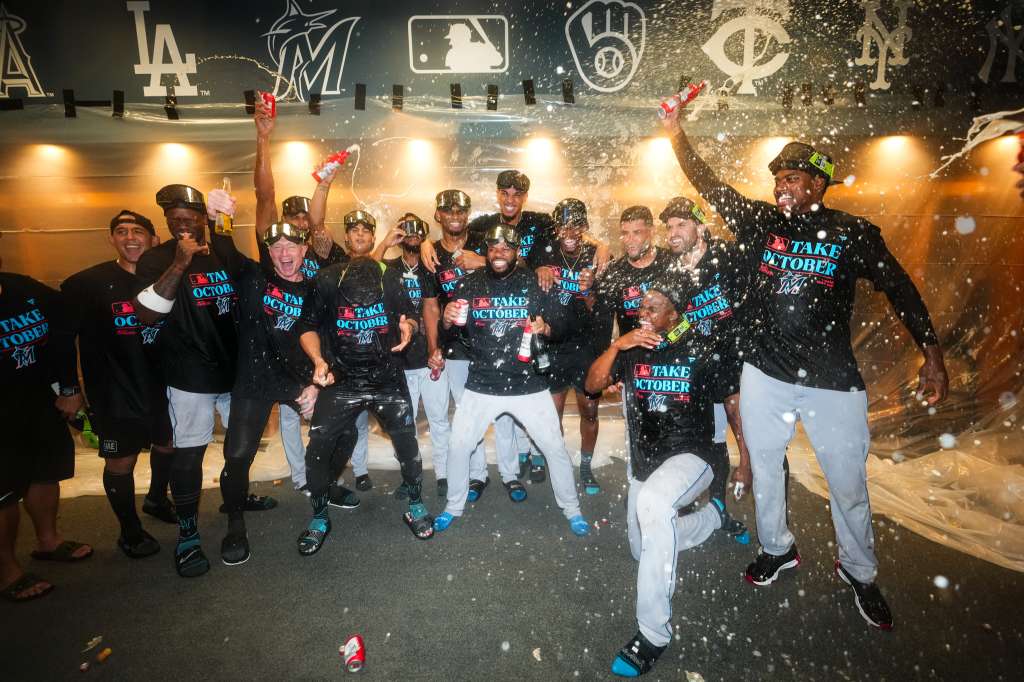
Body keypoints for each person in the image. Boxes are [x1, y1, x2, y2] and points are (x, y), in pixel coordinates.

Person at [662, 104, 949, 629]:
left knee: (847, 482)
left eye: (793, 177)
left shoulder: (852, 232)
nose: (782, 186)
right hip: (765, 373)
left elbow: (900, 287)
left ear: (819, 183)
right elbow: (708, 183)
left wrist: (931, 351)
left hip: (831, 380)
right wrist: (675, 132)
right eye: (777, 178)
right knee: (766, 467)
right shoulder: (763, 222)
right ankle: (777, 548)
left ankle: (859, 571)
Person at [585, 281, 744, 677]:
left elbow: (733, 406)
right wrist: (617, 346)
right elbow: (591, 385)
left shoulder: (701, 348)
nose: (643, 314)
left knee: (654, 506)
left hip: (693, 456)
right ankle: (712, 518)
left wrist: (748, 461)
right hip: (647, 463)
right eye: (642, 307)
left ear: (675, 315)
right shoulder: (633, 347)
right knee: (643, 548)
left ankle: (653, 633)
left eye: (653, 308)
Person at [133, 184, 269, 578]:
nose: (182, 226)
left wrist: (226, 224)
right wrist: (179, 263)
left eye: (189, 219)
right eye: (174, 220)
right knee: (189, 454)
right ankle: (188, 534)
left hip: (235, 371)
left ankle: (235, 514)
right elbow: (146, 315)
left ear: (204, 220)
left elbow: (255, 280)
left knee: (238, 454)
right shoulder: (156, 258)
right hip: (190, 375)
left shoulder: (221, 252)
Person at [432, 224, 589, 535]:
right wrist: (446, 320)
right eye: (493, 247)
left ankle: (572, 509)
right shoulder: (469, 284)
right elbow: (452, 334)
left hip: (528, 384)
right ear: (487, 251)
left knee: (554, 447)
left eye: (506, 247)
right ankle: (452, 506)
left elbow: (565, 324)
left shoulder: (535, 281)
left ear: (516, 251)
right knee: (459, 445)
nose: (499, 253)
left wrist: (547, 328)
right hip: (482, 382)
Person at [296, 213, 432, 554]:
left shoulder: (391, 277)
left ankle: (416, 504)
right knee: (318, 446)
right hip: (342, 380)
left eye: (365, 231)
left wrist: (409, 327)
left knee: (407, 443)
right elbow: (307, 326)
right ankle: (319, 517)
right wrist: (318, 360)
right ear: (346, 237)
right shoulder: (327, 278)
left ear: (373, 238)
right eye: (353, 230)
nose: (359, 235)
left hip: (387, 378)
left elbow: (411, 316)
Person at [252, 93, 352, 495]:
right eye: (291, 218)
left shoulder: (318, 249)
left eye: (303, 218)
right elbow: (263, 198)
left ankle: (324, 474)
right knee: (291, 420)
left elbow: (321, 222)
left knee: (327, 419)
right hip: (279, 354)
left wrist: (324, 183)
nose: (299, 224)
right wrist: (263, 138)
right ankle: (302, 478)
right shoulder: (273, 252)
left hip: (315, 350)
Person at [61, 210, 175, 559]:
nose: (130, 238)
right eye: (121, 231)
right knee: (121, 461)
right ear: (111, 238)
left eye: (138, 231)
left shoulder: (166, 277)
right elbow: (62, 340)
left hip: (163, 385)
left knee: (168, 444)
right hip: (116, 391)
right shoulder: (86, 284)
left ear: (154, 239)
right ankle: (130, 531)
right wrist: (69, 389)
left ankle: (156, 499)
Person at [659, 197, 753, 533]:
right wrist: (670, 339)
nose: (673, 232)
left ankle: (748, 469)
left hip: (735, 356)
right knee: (707, 440)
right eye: (669, 226)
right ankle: (713, 505)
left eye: (681, 224)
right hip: (699, 364)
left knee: (739, 418)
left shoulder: (726, 255)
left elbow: (751, 299)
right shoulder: (671, 269)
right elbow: (678, 322)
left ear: (699, 226)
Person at [1, 256, 92, 602]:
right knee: (3, 491)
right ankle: (7, 571)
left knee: (44, 471)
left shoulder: (20, 286)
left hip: (37, 398)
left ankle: (48, 541)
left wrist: (68, 386)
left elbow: (65, 321)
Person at [526, 198, 602, 495]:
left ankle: (585, 466)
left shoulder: (597, 256)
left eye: (576, 226)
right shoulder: (543, 251)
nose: (569, 233)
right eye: (563, 227)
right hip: (554, 345)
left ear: (585, 226)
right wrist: (538, 269)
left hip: (586, 348)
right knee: (551, 415)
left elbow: (602, 309)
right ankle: (558, 463)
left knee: (590, 412)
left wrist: (589, 292)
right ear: (555, 228)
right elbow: (521, 271)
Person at [373, 214, 452, 499]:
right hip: (399, 359)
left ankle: (444, 474)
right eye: (405, 228)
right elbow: (364, 273)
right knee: (405, 425)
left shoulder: (433, 265)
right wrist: (384, 243)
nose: (412, 232)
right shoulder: (388, 267)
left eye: (418, 228)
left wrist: (437, 347)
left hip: (431, 357)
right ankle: (411, 477)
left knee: (439, 419)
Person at [421, 190, 489, 499]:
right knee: (453, 411)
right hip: (452, 343)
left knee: (480, 410)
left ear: (468, 213)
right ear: (438, 215)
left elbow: (515, 269)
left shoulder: (484, 243)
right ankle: (462, 473)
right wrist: (433, 347)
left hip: (485, 341)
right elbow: (430, 306)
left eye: (461, 210)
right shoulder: (431, 253)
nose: (455, 216)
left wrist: (482, 261)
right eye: (448, 210)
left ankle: (488, 473)